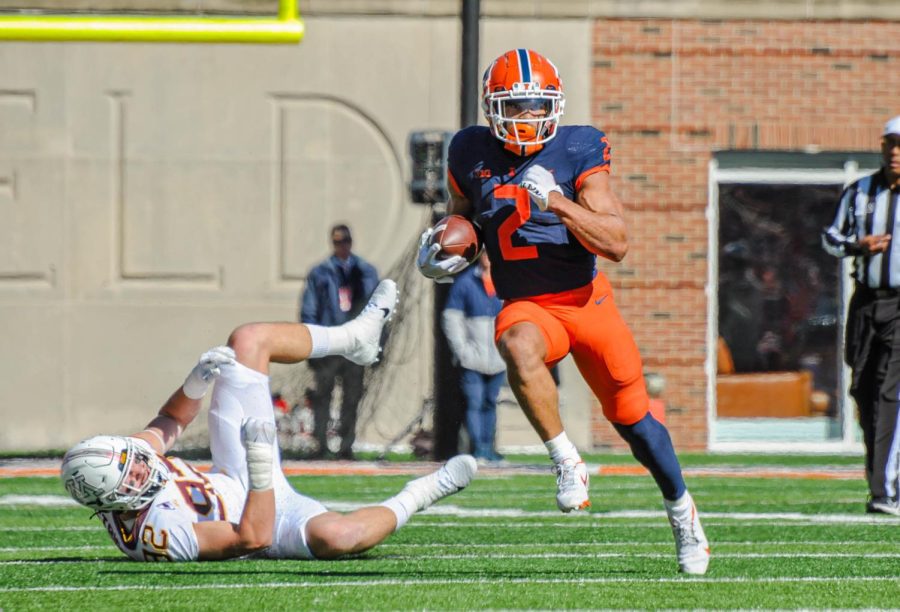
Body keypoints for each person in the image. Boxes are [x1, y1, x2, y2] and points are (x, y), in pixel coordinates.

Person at [416, 48, 710, 574]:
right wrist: (449, 247)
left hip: (586, 301)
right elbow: (468, 221)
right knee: (516, 345)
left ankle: (681, 510)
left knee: (635, 422)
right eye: (517, 106)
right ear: (492, 109)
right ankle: (566, 461)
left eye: (536, 105)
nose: (528, 117)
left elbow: (617, 243)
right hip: (527, 304)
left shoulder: (578, 147)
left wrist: (559, 202)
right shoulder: (468, 149)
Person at [60, 280, 478, 562]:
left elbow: (169, 421)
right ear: (115, 503)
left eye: (131, 458)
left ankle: (353, 338)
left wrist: (196, 382)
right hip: (260, 514)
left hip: (230, 471)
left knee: (248, 339)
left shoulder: (125, 462)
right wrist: (261, 470)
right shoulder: (159, 534)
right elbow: (251, 536)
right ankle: (420, 494)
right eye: (132, 474)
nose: (141, 463)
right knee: (339, 538)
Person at [822, 115, 900, 517]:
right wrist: (858, 245)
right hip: (867, 302)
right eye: (890, 143)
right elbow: (830, 237)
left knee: (889, 389)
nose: (895, 151)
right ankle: (885, 479)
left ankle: (884, 491)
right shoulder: (860, 192)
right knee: (864, 390)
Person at [300, 224, 380, 459]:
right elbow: (309, 309)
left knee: (352, 397)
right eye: (337, 242)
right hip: (328, 342)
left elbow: (376, 310)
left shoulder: (365, 271)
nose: (341, 246)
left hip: (354, 343)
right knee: (323, 395)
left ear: (351, 242)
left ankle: (346, 445)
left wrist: (376, 344)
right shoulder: (321, 272)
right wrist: (310, 343)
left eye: (345, 241)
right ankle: (321, 445)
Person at [442, 251, 507, 464]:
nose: (489, 258)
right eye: (485, 254)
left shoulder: (505, 280)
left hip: (498, 358)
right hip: (473, 358)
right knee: (475, 402)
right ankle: (478, 448)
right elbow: (451, 318)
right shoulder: (466, 282)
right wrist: (462, 351)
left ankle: (489, 448)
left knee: (490, 402)